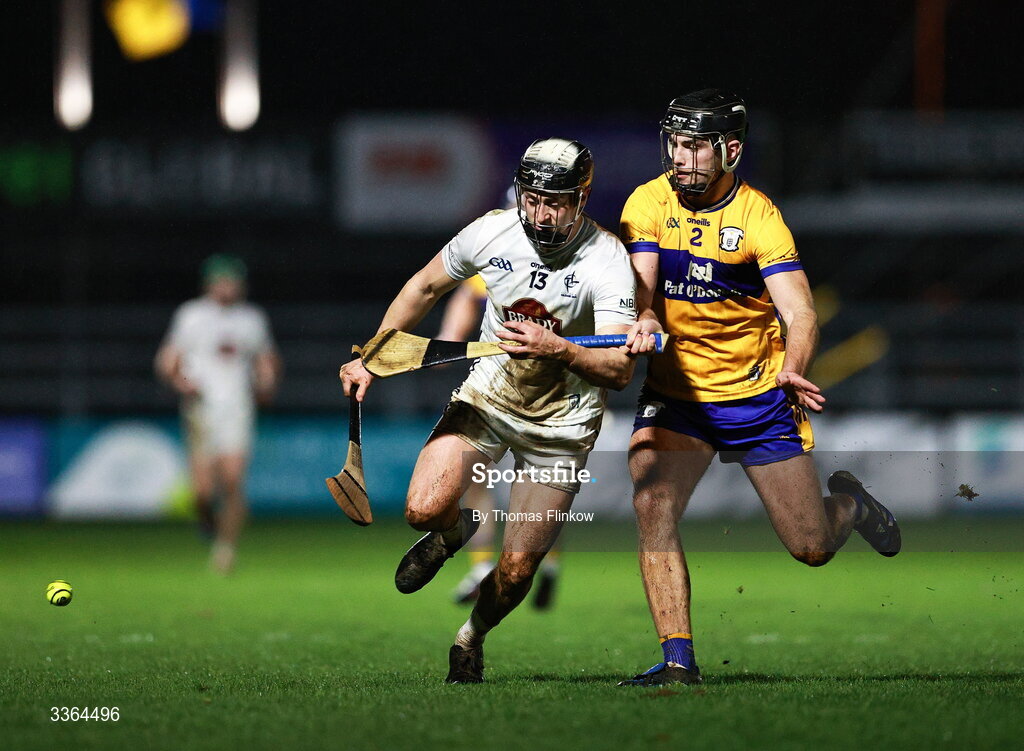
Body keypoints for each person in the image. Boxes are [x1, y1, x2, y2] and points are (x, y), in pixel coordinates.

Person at [617, 90, 901, 686]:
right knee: (651, 498)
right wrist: (642, 317)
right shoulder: (647, 201)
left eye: (695, 145)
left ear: (731, 150)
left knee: (811, 547)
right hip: (679, 397)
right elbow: (642, 283)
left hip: (758, 397)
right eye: (675, 142)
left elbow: (800, 313)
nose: (681, 156)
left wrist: (795, 366)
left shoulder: (759, 217)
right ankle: (677, 661)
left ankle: (851, 504)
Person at [341, 138, 638, 683]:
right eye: (532, 198)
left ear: (582, 198)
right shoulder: (492, 231)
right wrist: (371, 355)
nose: (540, 214)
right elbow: (425, 285)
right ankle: (457, 533)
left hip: (563, 423)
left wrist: (560, 349)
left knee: (520, 566)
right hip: (489, 397)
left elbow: (619, 370)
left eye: (556, 202)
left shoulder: (607, 259)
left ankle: (470, 638)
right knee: (423, 510)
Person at [441, 276, 561, 610]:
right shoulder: (503, 253)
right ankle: (483, 568)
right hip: (495, 388)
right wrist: (450, 337)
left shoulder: (575, 263)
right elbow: (467, 293)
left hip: (551, 393)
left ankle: (546, 564)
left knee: (545, 488)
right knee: (475, 475)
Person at [155, 255, 280, 574]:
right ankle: (207, 521)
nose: (228, 287)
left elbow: (266, 360)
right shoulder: (191, 315)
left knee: (233, 481)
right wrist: (183, 384)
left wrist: (266, 383)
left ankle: (225, 550)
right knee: (202, 493)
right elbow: (168, 362)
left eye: (233, 281)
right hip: (201, 410)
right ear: (210, 283)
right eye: (222, 280)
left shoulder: (251, 319)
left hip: (237, 409)